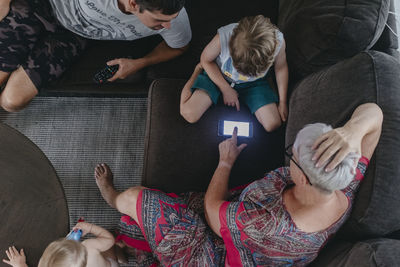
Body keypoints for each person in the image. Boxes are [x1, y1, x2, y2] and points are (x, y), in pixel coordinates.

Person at [94, 103, 382, 266]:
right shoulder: (342, 183)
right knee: (142, 221)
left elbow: (211, 210)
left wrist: (225, 162)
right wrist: (351, 132)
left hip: (214, 254)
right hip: (233, 226)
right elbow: (375, 114)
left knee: (135, 199)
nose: (289, 158)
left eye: (291, 156)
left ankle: (113, 197)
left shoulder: (266, 225)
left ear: (304, 178)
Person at [0, 0, 191, 112]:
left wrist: (139, 63)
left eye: (171, 20)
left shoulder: (175, 19)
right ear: (133, 4)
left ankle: (18, 60)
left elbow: (178, 48)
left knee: (12, 102)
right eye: (159, 20)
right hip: (40, 6)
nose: (167, 26)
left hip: (73, 35)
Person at [180, 15, 288, 132]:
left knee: (273, 124)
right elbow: (205, 59)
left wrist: (283, 101)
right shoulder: (224, 37)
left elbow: (280, 68)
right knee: (189, 113)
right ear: (231, 47)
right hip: (219, 76)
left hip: (254, 84)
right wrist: (225, 89)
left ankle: (265, 88)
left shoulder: (279, 42)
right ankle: (197, 71)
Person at [2, 221, 118, 267]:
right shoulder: (89, 247)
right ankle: (121, 255)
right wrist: (90, 227)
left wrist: (20, 265)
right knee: (112, 248)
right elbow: (109, 239)